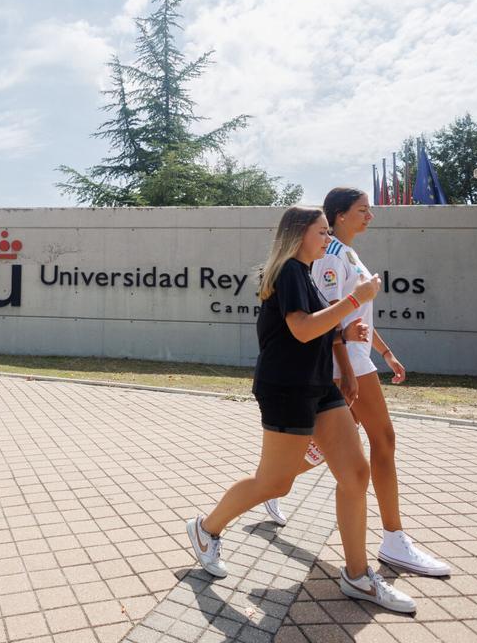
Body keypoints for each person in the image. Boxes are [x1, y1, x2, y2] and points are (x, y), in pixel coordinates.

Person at [186, 206, 417, 613]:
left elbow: (319, 329)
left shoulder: (308, 275)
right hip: (287, 388)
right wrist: (355, 301)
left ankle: (358, 575)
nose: (328, 238)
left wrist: (345, 343)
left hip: (318, 385)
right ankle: (206, 529)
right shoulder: (289, 271)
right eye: (321, 231)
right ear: (297, 235)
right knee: (275, 483)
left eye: (329, 231)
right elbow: (301, 328)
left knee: (356, 472)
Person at [268, 188, 451, 577]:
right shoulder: (328, 257)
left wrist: (384, 352)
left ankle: (270, 487)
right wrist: (346, 371)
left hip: (359, 359)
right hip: (342, 362)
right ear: (338, 216)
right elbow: (330, 319)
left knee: (326, 451)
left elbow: (358, 317)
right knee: (380, 440)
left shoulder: (348, 254)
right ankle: (393, 538)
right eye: (362, 211)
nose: (370, 217)